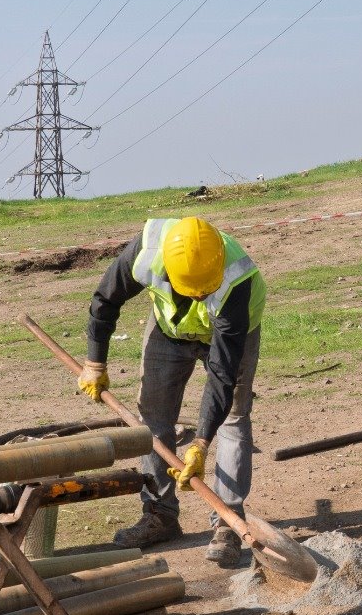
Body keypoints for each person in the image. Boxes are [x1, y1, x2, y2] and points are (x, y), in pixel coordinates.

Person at [78, 214, 265, 566]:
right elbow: (105, 300)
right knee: (152, 418)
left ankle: (227, 522)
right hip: (168, 329)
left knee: (233, 419)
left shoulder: (236, 279)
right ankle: (159, 514)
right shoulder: (146, 250)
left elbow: (222, 376)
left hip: (228, 336)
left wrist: (200, 444)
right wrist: (95, 363)